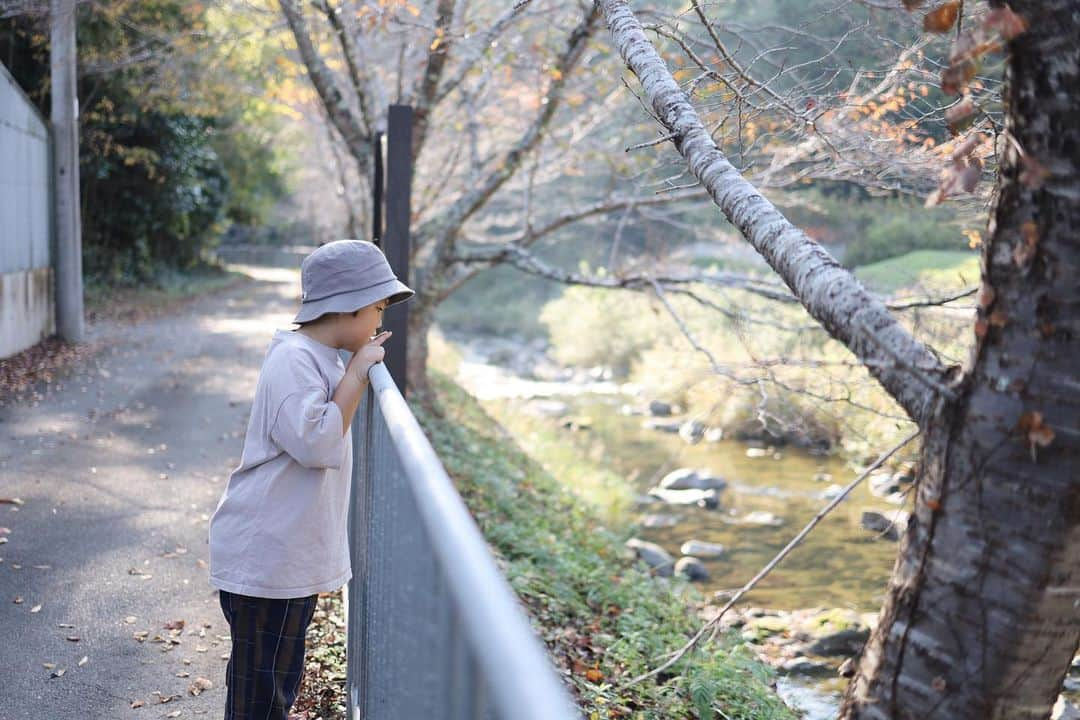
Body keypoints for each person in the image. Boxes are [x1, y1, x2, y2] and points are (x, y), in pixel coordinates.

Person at [207, 239, 413, 720]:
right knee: (259, 697)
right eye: (378, 309)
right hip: (265, 559)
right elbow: (318, 444)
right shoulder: (293, 361)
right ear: (349, 306)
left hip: (283, 558)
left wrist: (351, 372)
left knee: (277, 685)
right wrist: (358, 374)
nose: (380, 323)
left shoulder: (318, 358)